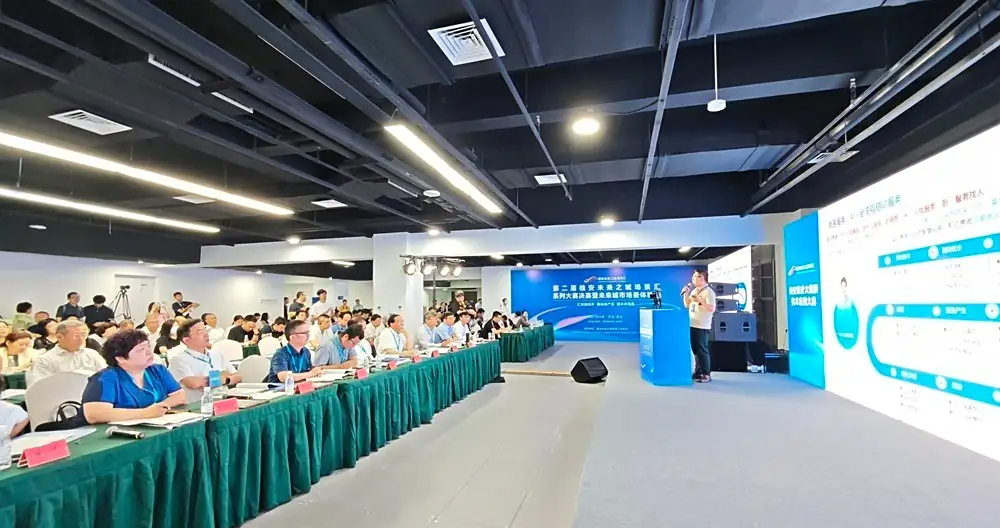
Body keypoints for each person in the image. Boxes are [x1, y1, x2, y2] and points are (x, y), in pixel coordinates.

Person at [81, 329, 185, 424]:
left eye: (148, 346)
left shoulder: (158, 370)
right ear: (120, 358)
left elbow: (179, 396)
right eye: (141, 349)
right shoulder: (105, 378)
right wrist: (145, 413)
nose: (149, 352)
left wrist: (160, 408)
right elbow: (94, 415)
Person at [169, 319, 242, 402]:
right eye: (200, 332)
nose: (206, 334)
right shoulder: (178, 359)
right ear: (186, 340)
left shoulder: (216, 354)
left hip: (225, 400)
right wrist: (221, 376)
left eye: (205, 330)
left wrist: (226, 380)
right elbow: (193, 383)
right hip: (200, 404)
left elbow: (238, 376)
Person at [29, 320, 107, 385]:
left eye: (84, 335)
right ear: (59, 337)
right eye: (76, 336)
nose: (81, 339)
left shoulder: (92, 354)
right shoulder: (45, 360)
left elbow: (107, 376)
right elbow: (41, 386)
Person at [682, 269, 716, 383]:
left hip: (702, 326)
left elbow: (712, 308)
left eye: (695, 276)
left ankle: (706, 374)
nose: (693, 279)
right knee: (695, 350)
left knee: (702, 350)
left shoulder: (709, 292)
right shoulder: (695, 291)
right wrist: (686, 293)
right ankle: (698, 371)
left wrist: (700, 302)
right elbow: (687, 304)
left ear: (702, 278)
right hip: (693, 324)